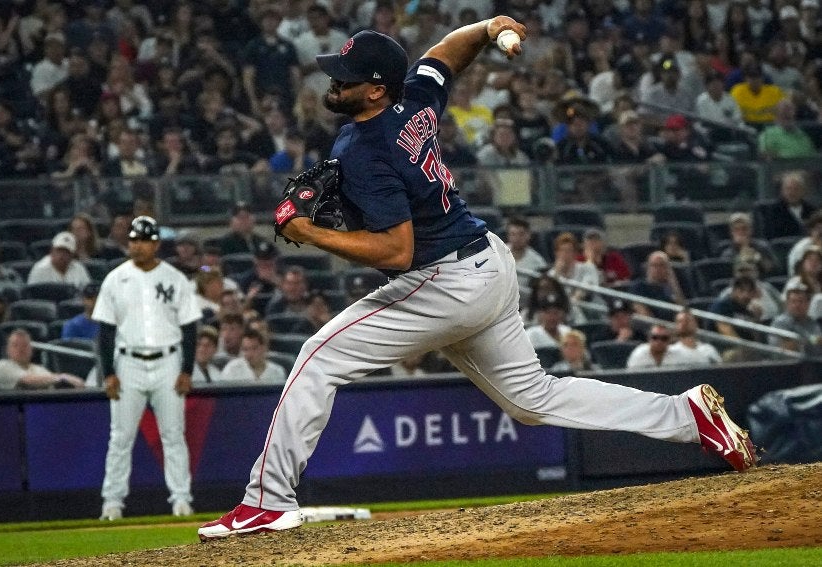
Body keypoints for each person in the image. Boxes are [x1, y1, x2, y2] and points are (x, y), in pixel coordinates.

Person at [199, 17, 757, 541]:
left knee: (318, 357)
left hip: (444, 280)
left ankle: (268, 500)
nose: (333, 82)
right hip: (486, 263)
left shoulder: (363, 147)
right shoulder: (413, 98)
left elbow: (396, 252)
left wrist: (308, 232)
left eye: (344, 78)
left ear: (374, 91)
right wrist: (490, 28)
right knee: (533, 399)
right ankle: (687, 416)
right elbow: (444, 54)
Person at [93, 216, 201, 521]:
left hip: (168, 361)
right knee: (120, 436)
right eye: (133, 240)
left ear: (155, 243)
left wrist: (186, 370)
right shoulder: (115, 279)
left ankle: (181, 500)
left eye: (142, 240)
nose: (136, 245)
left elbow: (190, 327)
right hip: (128, 363)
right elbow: (105, 330)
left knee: (173, 435)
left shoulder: (174, 278)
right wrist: (109, 373)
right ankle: (111, 503)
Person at [0, 329, 85, 390]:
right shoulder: (1, 366)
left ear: (31, 350)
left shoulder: (39, 369)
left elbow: (53, 383)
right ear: (7, 350)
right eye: (15, 345)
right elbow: (28, 380)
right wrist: (63, 377)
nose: (20, 349)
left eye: (25, 345)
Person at [769, 281, 822, 357]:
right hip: (788, 365)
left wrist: (810, 340)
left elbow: (818, 343)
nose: (797, 305)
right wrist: (811, 340)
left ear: (808, 303)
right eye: (793, 301)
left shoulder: (812, 322)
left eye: (800, 301)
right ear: (787, 303)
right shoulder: (780, 322)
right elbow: (784, 348)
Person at [504, 216, 547, 310]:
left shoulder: (538, 263)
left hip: (525, 307)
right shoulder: (496, 255)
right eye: (513, 234)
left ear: (529, 235)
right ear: (508, 236)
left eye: (521, 234)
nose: (517, 238)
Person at [218, 328, 286, 385]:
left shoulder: (277, 371)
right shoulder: (232, 368)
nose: (249, 354)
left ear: (264, 348)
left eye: (254, 348)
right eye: (245, 349)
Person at [27, 231, 92, 287]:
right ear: (52, 251)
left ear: (72, 255)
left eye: (66, 252)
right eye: (59, 250)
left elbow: (87, 293)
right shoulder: (39, 268)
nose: (62, 255)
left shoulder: (79, 268)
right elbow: (31, 294)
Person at [626, 324, 697, 369]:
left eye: (664, 338)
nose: (659, 342)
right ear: (649, 338)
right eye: (655, 337)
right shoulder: (639, 354)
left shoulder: (678, 354)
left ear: (669, 340)